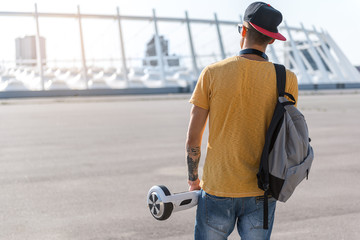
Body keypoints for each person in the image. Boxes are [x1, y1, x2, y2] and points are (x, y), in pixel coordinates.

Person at [185, 2, 298, 240]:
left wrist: (193, 178)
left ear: (243, 30)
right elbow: (285, 133)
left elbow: (193, 139)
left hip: (218, 187)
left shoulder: (212, 73)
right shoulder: (286, 78)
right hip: (263, 188)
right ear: (272, 40)